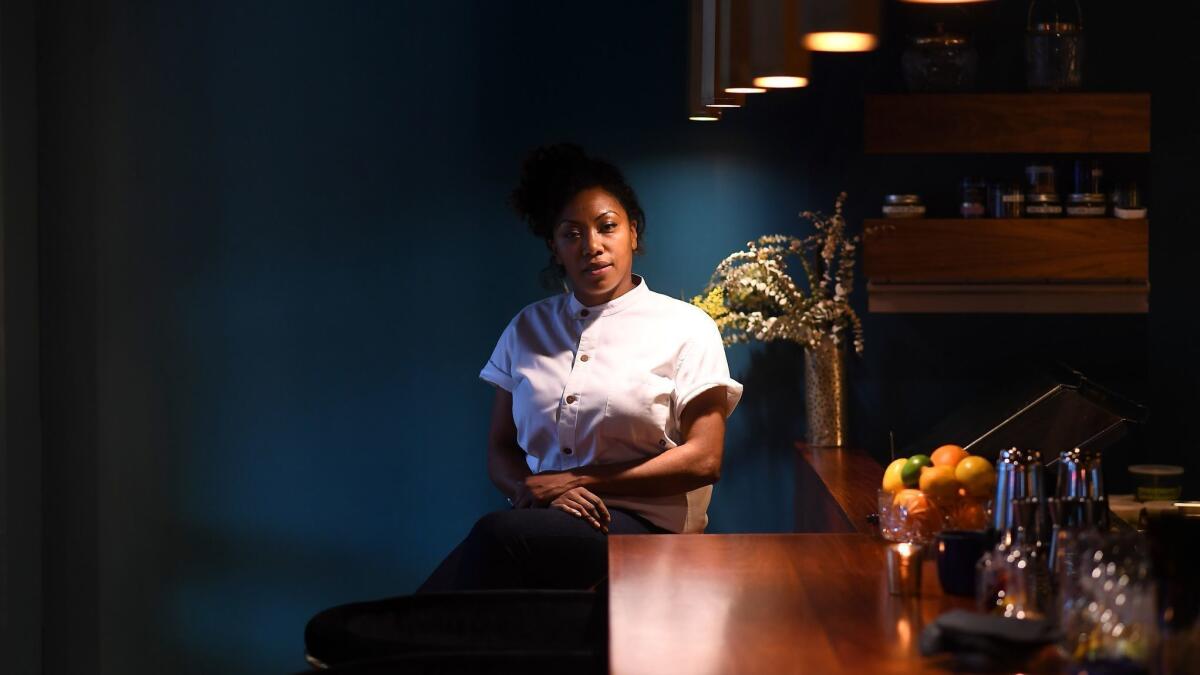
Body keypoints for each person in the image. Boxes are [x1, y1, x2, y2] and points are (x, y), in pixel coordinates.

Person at [418, 144, 743, 591]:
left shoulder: (686, 327)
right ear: (554, 246)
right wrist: (531, 489)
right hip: (546, 520)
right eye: (572, 234)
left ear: (633, 231)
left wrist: (573, 480)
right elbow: (500, 449)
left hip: (646, 526)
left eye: (607, 227)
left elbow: (705, 459)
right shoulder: (527, 328)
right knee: (474, 583)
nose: (592, 246)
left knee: (492, 544)